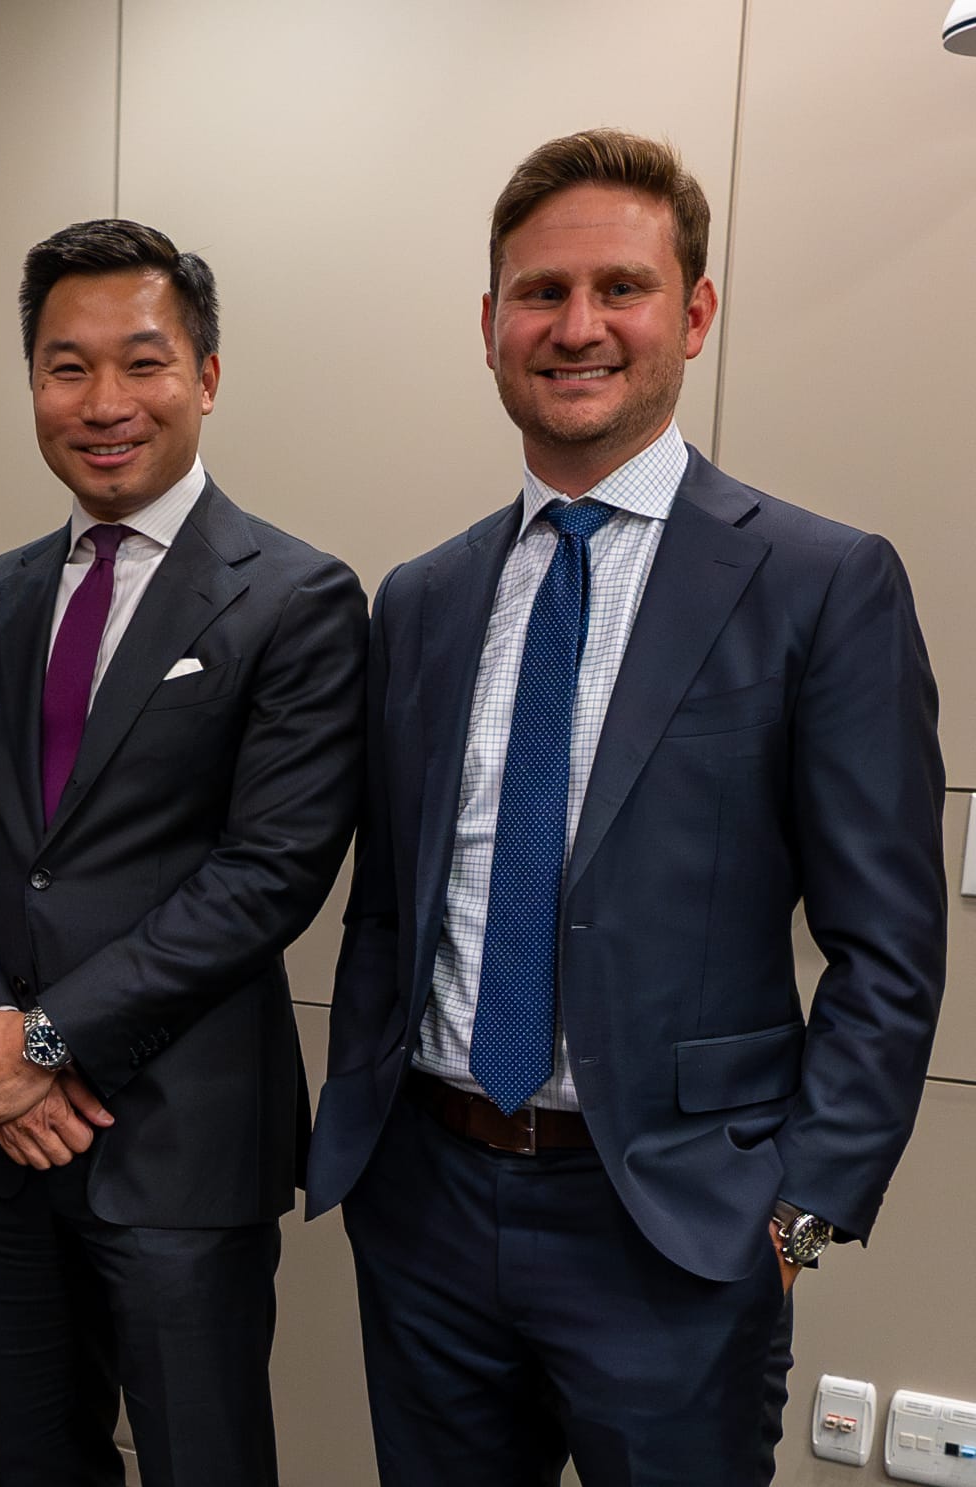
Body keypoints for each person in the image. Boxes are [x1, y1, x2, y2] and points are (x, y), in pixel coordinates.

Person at [305, 129, 948, 1486]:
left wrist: (800, 1204)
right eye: (538, 293)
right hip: (423, 1202)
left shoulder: (818, 585)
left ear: (693, 313)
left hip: (670, 1227)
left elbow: (886, 942)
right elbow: (389, 902)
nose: (575, 326)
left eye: (620, 288)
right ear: (488, 325)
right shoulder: (419, 597)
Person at [0, 219, 367, 1487]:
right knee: (37, 1465)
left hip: (180, 1150)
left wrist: (46, 1039)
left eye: (142, 362)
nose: (104, 403)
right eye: (66, 366)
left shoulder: (298, 597)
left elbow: (269, 872)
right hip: (4, 1148)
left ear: (205, 376)